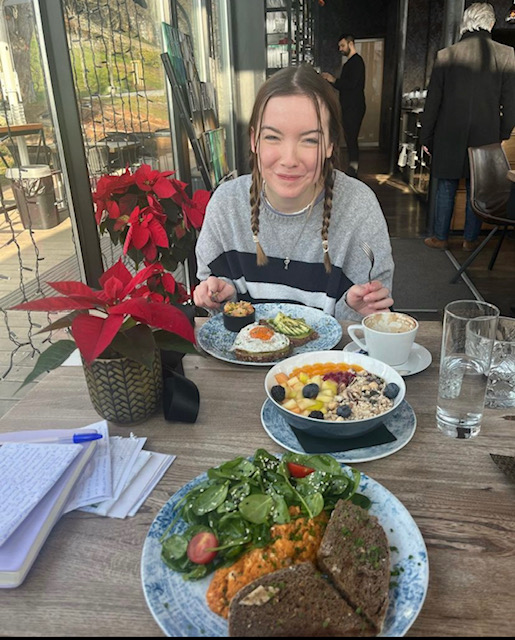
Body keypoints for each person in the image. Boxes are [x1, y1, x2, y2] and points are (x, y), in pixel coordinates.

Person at [193, 64, 393, 322]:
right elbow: (212, 303)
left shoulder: (359, 208)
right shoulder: (226, 205)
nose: (289, 159)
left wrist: (357, 311)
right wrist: (220, 298)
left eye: (310, 140)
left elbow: (373, 318)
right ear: (254, 140)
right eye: (272, 137)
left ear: (330, 144)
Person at [421, 2, 515, 252]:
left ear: (465, 23)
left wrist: (426, 137)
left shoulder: (446, 55)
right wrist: (502, 134)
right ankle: (470, 240)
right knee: (478, 189)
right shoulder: (507, 54)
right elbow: (510, 104)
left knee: (446, 186)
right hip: (486, 134)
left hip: (448, 133)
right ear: (490, 24)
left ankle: (440, 238)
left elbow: (433, 103)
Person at [321, 35, 366, 178]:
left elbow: (351, 84)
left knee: (351, 137)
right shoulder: (350, 63)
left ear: (350, 43)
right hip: (350, 106)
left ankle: (353, 168)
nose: (340, 49)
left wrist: (333, 80)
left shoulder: (356, 62)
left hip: (354, 107)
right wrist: (332, 81)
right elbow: (344, 86)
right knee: (349, 137)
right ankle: (353, 168)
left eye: (342, 45)